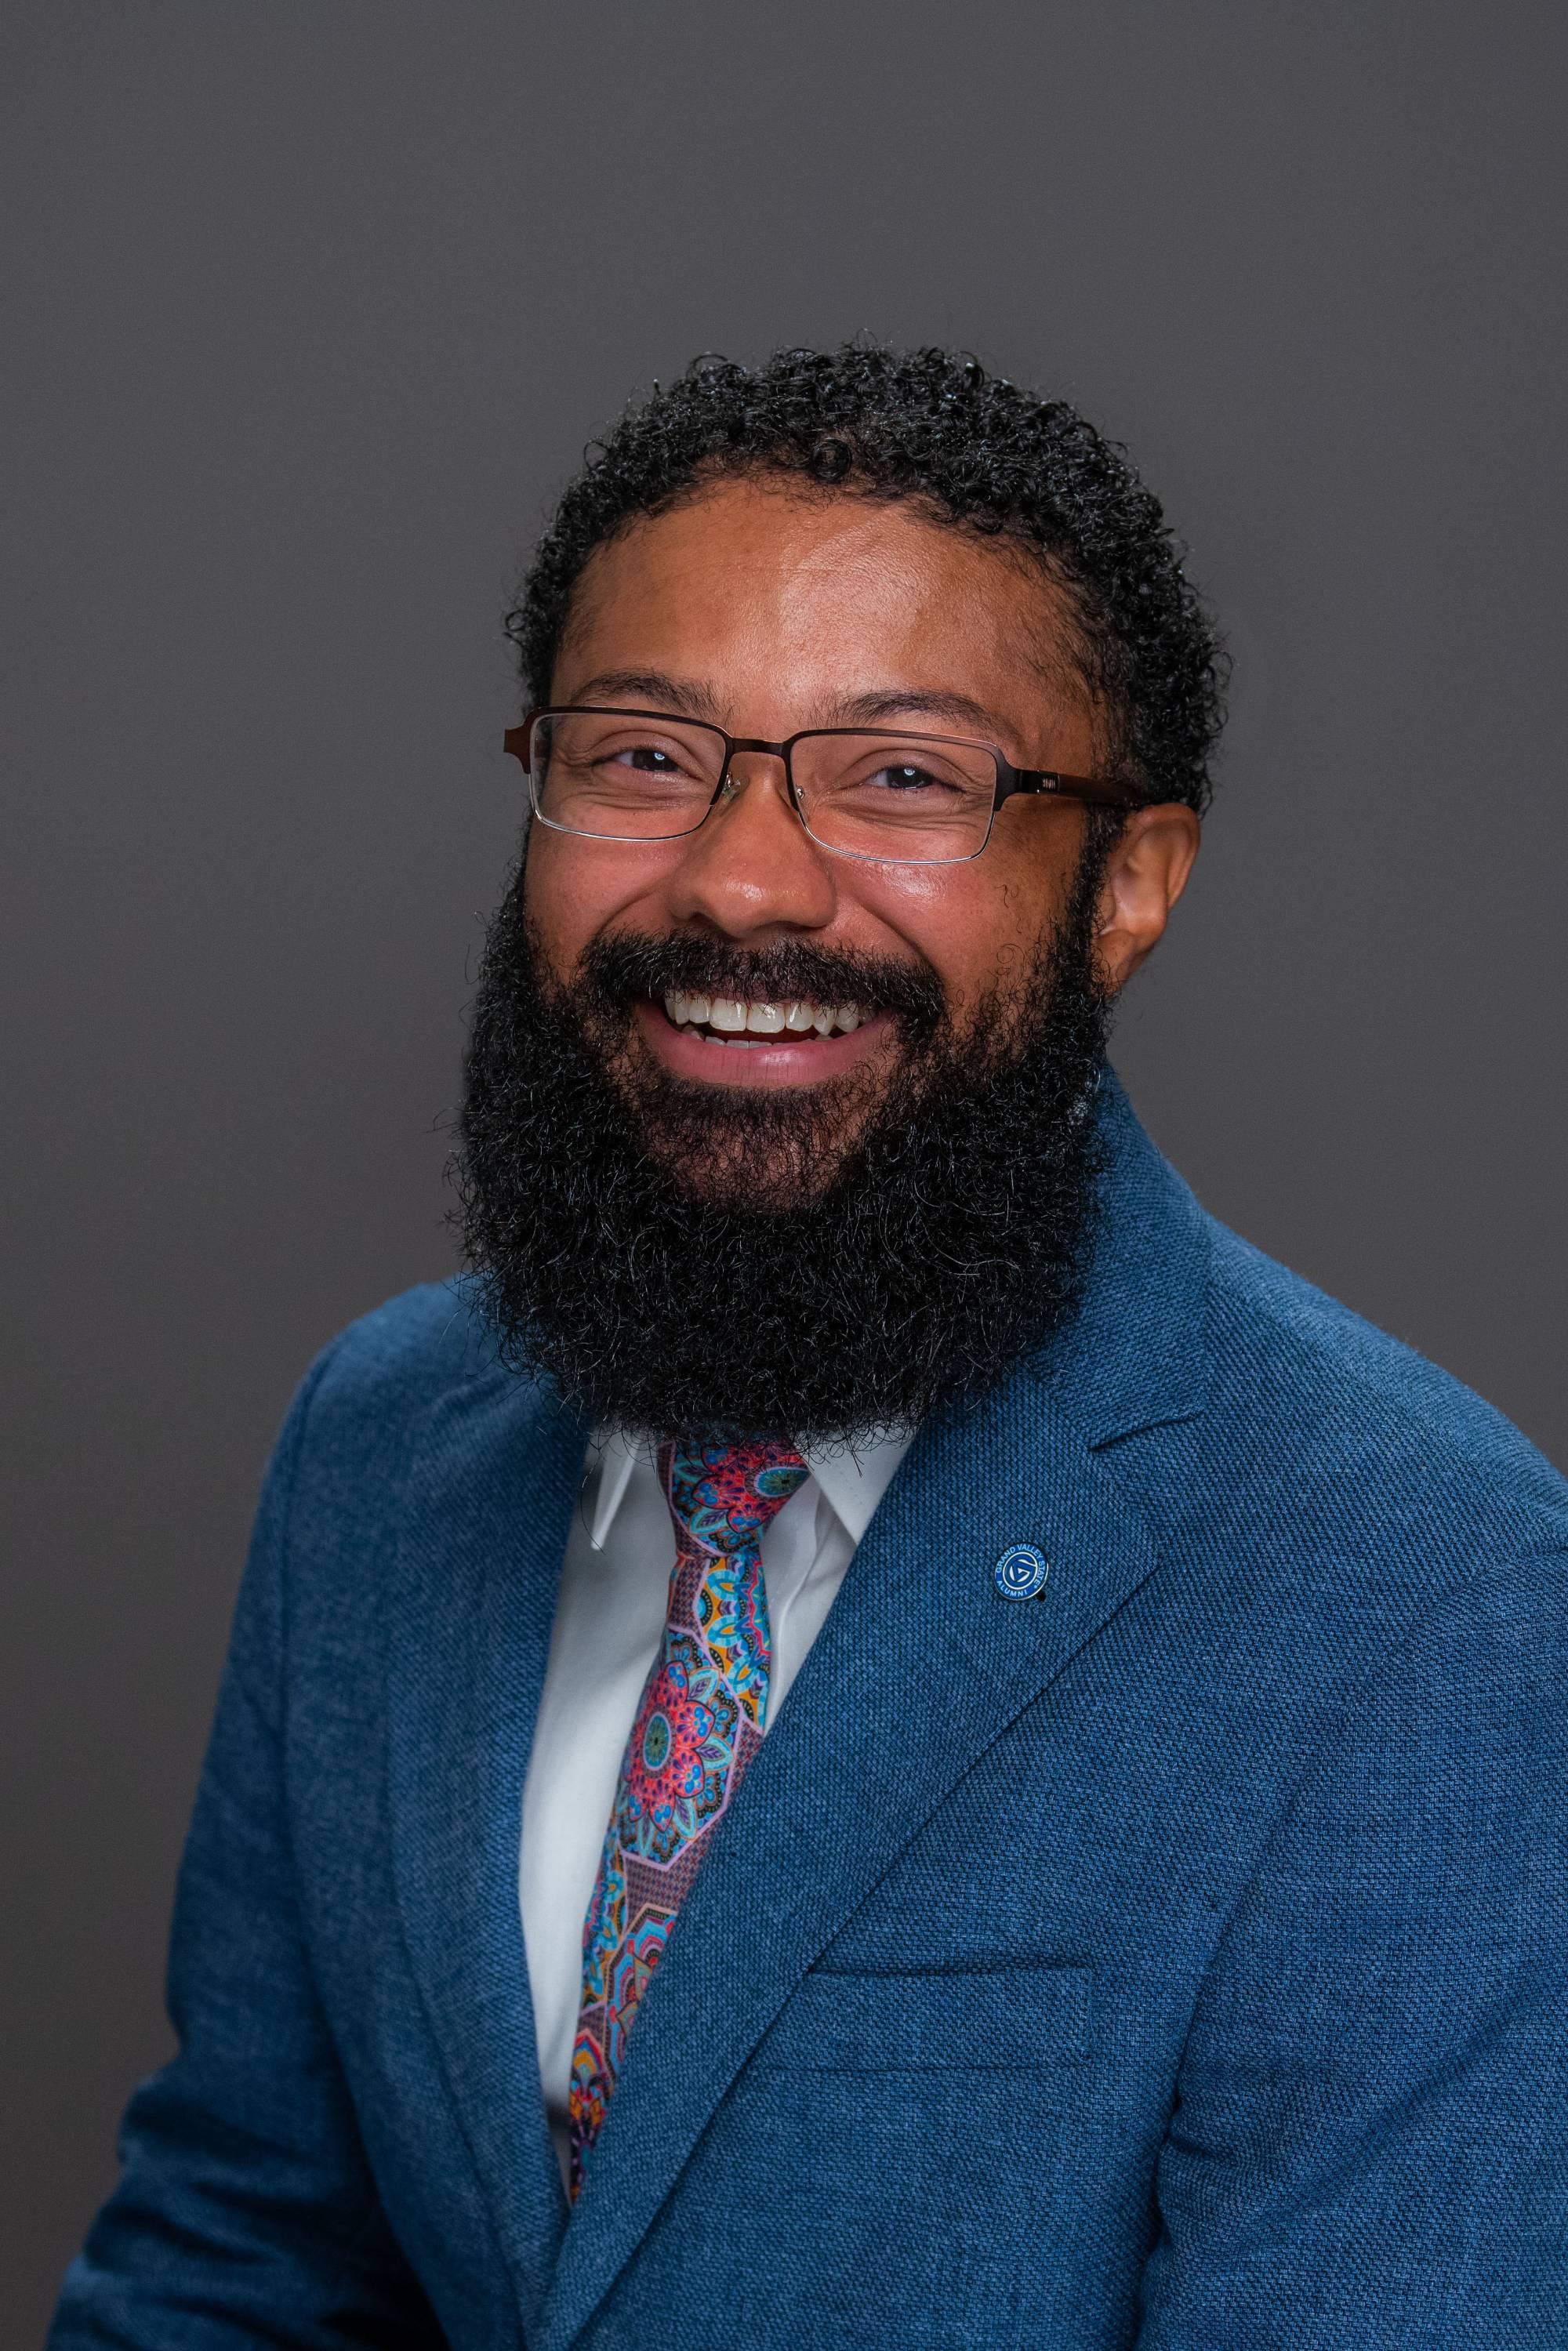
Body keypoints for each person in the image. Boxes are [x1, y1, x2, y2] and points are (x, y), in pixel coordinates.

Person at [50, 344, 1568, 2351]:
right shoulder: (378, 1447)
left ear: (1128, 885)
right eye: (643, 757)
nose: (740, 879)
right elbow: (240, 2254)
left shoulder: (1426, 1599)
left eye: (906, 776)